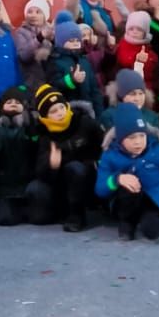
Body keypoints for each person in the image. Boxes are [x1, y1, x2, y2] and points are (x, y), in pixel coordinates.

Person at [96, 103, 159, 241]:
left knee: (151, 231)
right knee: (127, 184)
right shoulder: (110, 156)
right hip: (131, 201)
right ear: (120, 138)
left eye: (141, 136)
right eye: (131, 137)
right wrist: (117, 179)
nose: (138, 142)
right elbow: (100, 189)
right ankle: (127, 223)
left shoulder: (156, 151)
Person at [30, 83, 102, 231]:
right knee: (38, 204)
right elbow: (39, 170)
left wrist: (94, 162)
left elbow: (103, 145)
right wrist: (51, 165)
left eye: (61, 107)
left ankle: (78, 216)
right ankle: (60, 210)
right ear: (45, 116)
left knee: (74, 168)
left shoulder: (84, 122)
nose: (60, 112)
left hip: (87, 175)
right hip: (59, 182)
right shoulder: (44, 134)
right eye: (53, 111)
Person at [0, 86, 38, 226]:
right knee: (5, 219)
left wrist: (32, 130)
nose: (13, 103)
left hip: (27, 184)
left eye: (17, 102)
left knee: (39, 217)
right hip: (3, 187)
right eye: (9, 101)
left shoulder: (31, 122)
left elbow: (35, 150)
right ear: (2, 106)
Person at [45, 11, 104, 114]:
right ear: (61, 42)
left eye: (77, 40)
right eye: (71, 41)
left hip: (88, 110)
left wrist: (99, 113)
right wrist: (71, 80)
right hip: (67, 111)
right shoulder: (55, 61)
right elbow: (54, 85)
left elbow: (95, 90)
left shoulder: (84, 60)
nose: (75, 44)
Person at [100, 67, 159, 147]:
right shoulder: (109, 115)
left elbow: (156, 143)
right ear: (121, 95)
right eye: (132, 94)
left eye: (141, 93)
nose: (137, 99)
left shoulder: (152, 116)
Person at [115, 9, 159, 94]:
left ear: (145, 33)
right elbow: (123, 63)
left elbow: (154, 76)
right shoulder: (121, 46)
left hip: (148, 89)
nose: (134, 32)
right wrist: (137, 60)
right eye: (131, 29)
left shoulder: (150, 52)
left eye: (139, 29)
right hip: (127, 89)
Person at [14, 0, 54, 91]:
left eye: (38, 12)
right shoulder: (21, 32)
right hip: (30, 84)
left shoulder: (52, 32)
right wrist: (39, 38)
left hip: (50, 82)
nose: (33, 15)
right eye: (30, 12)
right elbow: (24, 56)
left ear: (45, 16)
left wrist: (52, 40)